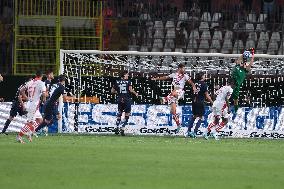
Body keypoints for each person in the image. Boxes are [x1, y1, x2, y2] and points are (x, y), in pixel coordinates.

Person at [152, 63, 197, 132]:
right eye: (183, 68)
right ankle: (178, 124)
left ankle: (164, 99)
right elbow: (165, 77)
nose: (184, 70)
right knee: (173, 112)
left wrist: (194, 87)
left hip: (180, 91)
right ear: (180, 68)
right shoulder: (174, 75)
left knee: (173, 92)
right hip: (173, 94)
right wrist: (156, 79)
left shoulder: (185, 76)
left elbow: (191, 83)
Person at [16, 71, 46, 143]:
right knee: (30, 122)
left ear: (35, 75)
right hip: (34, 105)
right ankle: (19, 136)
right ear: (41, 76)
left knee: (40, 120)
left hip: (30, 103)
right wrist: (44, 101)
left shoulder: (30, 82)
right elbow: (44, 94)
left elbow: (21, 90)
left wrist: (28, 98)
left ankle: (29, 133)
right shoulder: (41, 83)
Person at [185, 72, 213, 138]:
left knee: (194, 116)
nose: (205, 76)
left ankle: (188, 131)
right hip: (200, 102)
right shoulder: (204, 84)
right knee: (201, 117)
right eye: (204, 75)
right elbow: (207, 95)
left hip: (194, 101)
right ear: (201, 77)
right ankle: (194, 132)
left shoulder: (195, 83)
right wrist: (212, 102)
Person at [111, 70, 138, 136]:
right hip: (127, 99)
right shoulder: (128, 82)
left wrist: (118, 92)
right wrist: (136, 93)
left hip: (120, 99)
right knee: (127, 114)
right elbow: (130, 90)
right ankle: (122, 129)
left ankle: (117, 127)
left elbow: (112, 91)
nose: (128, 76)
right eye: (127, 74)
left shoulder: (116, 82)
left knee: (119, 113)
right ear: (123, 75)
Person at [231, 48, 254, 112]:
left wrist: (252, 55)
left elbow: (250, 64)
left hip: (236, 85)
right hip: (231, 82)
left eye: (245, 64)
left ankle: (236, 109)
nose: (244, 64)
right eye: (243, 63)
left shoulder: (245, 71)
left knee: (235, 98)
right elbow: (239, 59)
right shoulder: (237, 66)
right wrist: (244, 52)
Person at [38, 70, 54, 135]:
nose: (53, 75)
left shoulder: (47, 82)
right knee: (45, 117)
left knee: (47, 117)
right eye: (52, 74)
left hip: (45, 102)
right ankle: (41, 130)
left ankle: (43, 130)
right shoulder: (47, 82)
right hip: (45, 102)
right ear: (49, 75)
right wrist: (45, 101)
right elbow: (45, 92)